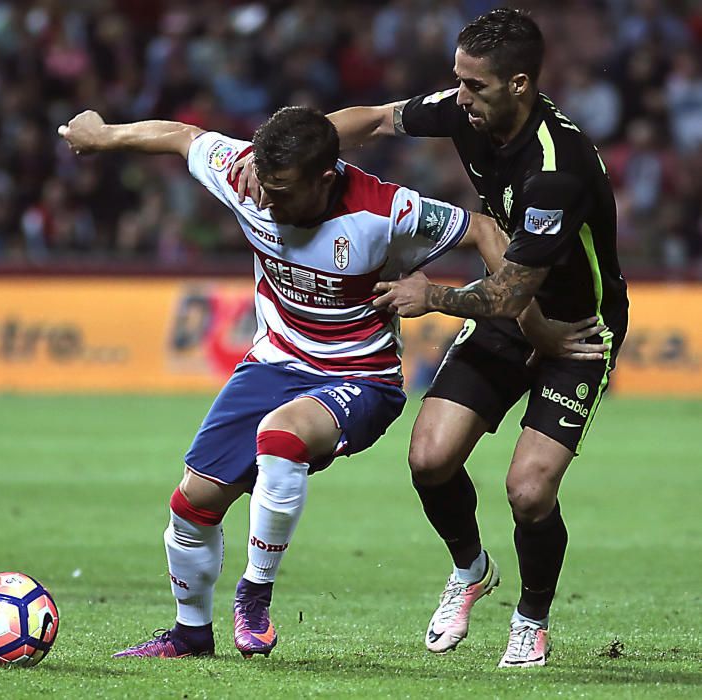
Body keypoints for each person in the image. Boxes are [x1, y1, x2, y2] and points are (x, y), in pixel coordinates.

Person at [58, 104, 599, 660]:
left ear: (324, 179)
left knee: (282, 437)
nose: (266, 202)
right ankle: (191, 635)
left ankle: (255, 594)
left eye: (283, 191)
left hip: (361, 377)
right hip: (274, 363)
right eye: (263, 186)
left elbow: (483, 228)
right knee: (192, 505)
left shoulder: (386, 211)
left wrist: (531, 323)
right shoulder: (246, 175)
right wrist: (102, 137)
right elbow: (180, 136)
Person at [234, 7, 627, 669]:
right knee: (429, 459)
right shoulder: (465, 109)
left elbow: (509, 292)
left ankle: (530, 619)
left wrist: (432, 296)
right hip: (509, 313)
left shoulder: (555, 169)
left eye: (473, 85)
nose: (458, 95)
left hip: (575, 327)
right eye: (457, 80)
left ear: (520, 84)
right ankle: (470, 569)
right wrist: (286, 154)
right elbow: (376, 118)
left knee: (529, 491)